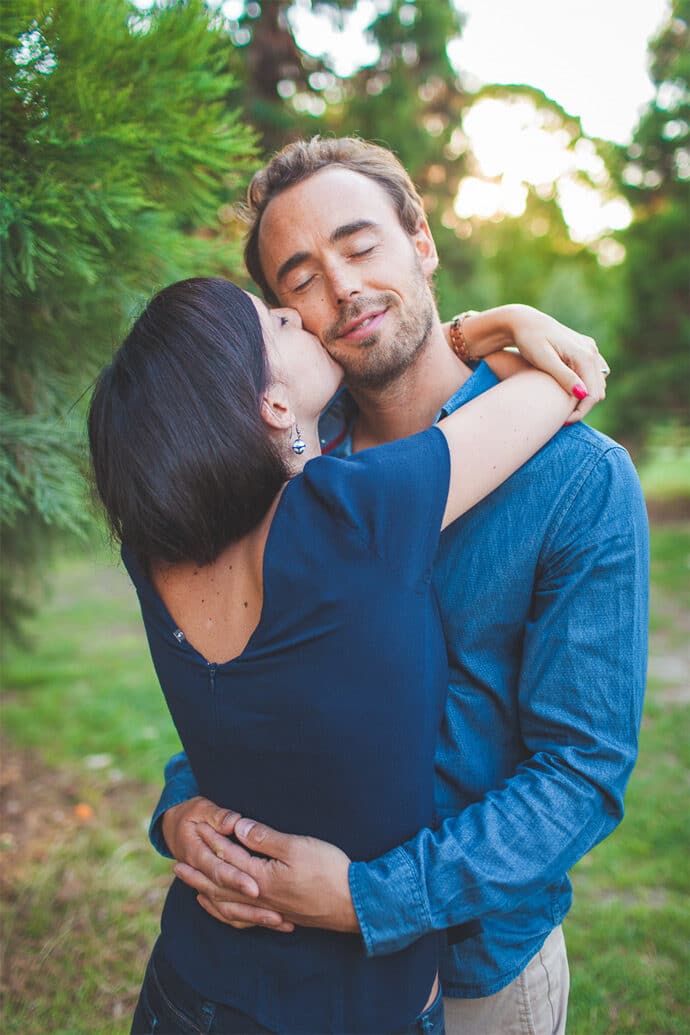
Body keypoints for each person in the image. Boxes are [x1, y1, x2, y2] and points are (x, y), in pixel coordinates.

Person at [152, 138, 649, 1035]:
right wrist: (182, 806)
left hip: (475, 967)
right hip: (289, 975)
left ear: (420, 241)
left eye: (360, 244)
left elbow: (582, 771)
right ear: (283, 317)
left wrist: (370, 897)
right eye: (299, 277)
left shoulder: (579, 480)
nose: (341, 288)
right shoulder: (284, 467)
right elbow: (234, 675)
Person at [89, 272, 581, 1034]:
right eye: (276, 324)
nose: (296, 313)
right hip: (358, 1009)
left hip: (190, 985)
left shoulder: (150, 555)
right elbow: (563, 382)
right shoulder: (349, 513)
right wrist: (487, 324)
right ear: (275, 406)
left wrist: (177, 811)